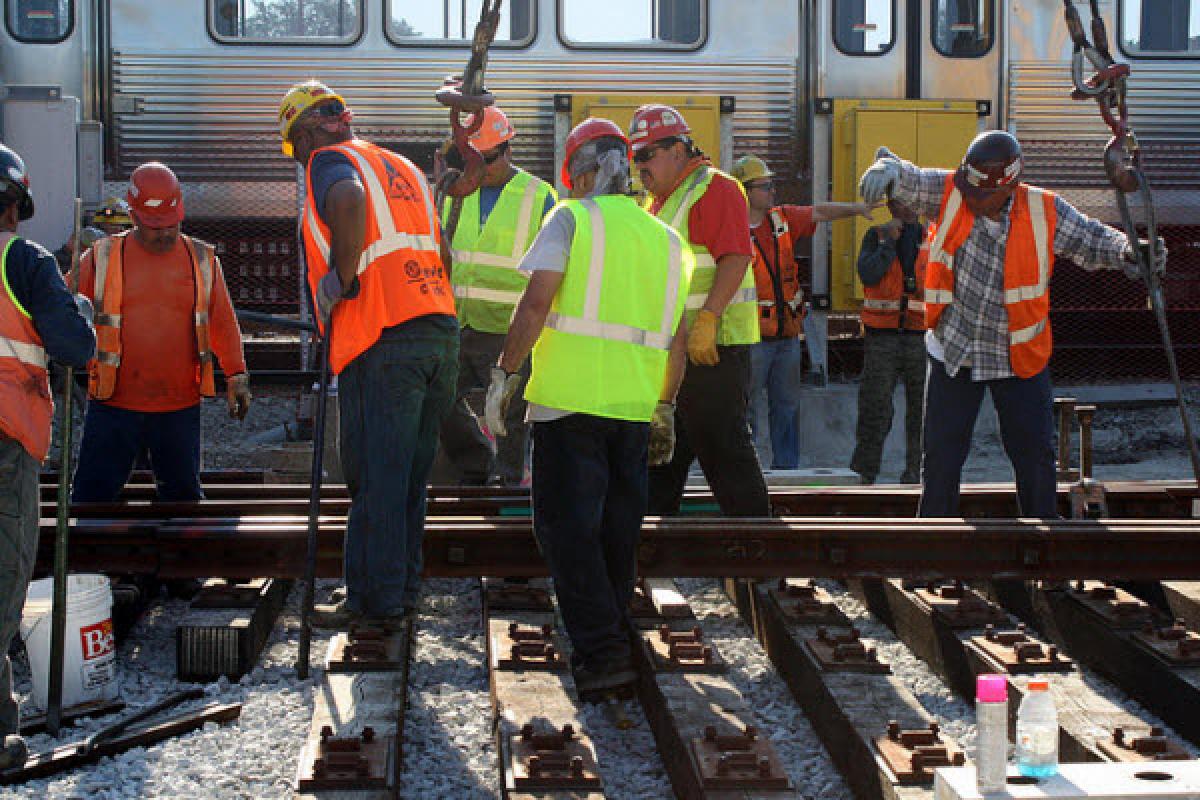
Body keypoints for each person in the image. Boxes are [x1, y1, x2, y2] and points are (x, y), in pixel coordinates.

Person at [484, 118, 691, 692]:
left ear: (577, 174)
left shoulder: (570, 218)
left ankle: (603, 654)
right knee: (616, 532)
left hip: (567, 405)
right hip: (632, 408)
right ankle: (613, 630)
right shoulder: (667, 240)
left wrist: (504, 375)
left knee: (566, 533)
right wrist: (665, 407)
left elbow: (534, 305)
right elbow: (676, 337)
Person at [859, 131, 1164, 516]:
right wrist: (889, 169)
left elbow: (1092, 239)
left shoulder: (1044, 210)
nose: (973, 201)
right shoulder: (954, 191)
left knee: (1035, 455)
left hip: (1017, 355)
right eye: (970, 192)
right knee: (940, 455)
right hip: (956, 348)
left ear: (1010, 186)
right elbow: (916, 180)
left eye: (983, 197)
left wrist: (1133, 252)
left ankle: (1042, 547)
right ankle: (932, 550)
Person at [279, 80, 458, 627]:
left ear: (306, 131)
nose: (299, 158)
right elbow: (442, 251)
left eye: (296, 145)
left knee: (374, 476)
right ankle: (400, 588)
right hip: (437, 332)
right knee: (406, 476)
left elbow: (349, 200)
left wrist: (342, 276)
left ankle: (373, 604)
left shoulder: (329, 161)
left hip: (382, 339)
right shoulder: (400, 166)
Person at [70, 162, 251, 502]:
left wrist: (237, 374)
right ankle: (92, 556)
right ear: (134, 215)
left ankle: (183, 555)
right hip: (113, 402)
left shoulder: (201, 259)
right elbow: (66, 309)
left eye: (172, 224)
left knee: (182, 502)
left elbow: (221, 321)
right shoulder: (102, 257)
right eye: (155, 227)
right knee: (90, 500)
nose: (165, 233)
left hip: (178, 406)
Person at [0, 144, 95, 767]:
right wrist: (80, 313)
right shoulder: (22, 259)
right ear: (18, 202)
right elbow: (73, 344)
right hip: (7, 435)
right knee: (2, 583)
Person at [632, 104, 769, 517]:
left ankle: (759, 557)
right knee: (662, 454)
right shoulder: (658, 203)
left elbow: (735, 258)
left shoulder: (716, 188)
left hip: (713, 351)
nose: (639, 166)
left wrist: (707, 320)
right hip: (674, 354)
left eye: (646, 155)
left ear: (678, 149)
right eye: (635, 157)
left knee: (723, 451)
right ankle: (648, 555)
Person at [731, 154, 877, 469]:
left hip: (785, 338)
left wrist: (858, 208)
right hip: (751, 339)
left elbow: (820, 211)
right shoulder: (730, 231)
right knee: (747, 411)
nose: (773, 191)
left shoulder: (780, 219)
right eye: (765, 186)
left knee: (787, 408)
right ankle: (747, 471)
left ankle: (786, 470)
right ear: (744, 192)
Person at [438, 106, 556, 486]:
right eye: (473, 159)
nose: (481, 167)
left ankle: (507, 480)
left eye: (488, 159)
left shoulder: (540, 197)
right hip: (455, 322)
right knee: (436, 400)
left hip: (508, 329)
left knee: (507, 413)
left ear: (508, 150)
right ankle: (476, 465)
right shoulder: (454, 190)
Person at [850, 199, 928, 485]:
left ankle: (916, 473)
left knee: (920, 409)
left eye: (909, 203)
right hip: (881, 338)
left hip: (919, 337)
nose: (904, 210)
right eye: (898, 204)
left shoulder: (929, 238)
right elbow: (868, 273)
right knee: (874, 407)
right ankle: (865, 472)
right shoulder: (877, 236)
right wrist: (888, 245)